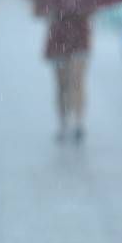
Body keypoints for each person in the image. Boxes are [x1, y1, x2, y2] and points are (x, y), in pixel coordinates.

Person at [44, 8, 92, 143]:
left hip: (77, 39)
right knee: (63, 84)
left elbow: (93, 10)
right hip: (60, 40)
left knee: (76, 81)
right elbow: (39, 11)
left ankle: (77, 122)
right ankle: (65, 122)